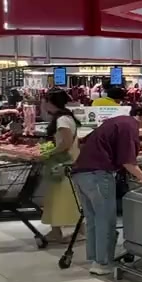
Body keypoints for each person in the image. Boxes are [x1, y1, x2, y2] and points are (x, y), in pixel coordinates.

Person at [71, 104, 142, 275]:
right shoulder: (130, 127)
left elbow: (83, 141)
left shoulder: (119, 121)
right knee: (106, 219)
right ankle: (102, 263)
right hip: (98, 174)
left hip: (81, 174)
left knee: (93, 219)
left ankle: (94, 258)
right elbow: (128, 162)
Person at [40, 90, 82, 243]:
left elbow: (66, 142)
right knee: (64, 197)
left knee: (62, 198)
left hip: (62, 163)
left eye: (44, 101)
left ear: (50, 102)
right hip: (66, 162)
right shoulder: (66, 117)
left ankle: (75, 231)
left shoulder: (62, 120)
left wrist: (49, 153)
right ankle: (61, 231)